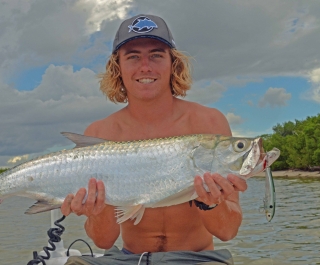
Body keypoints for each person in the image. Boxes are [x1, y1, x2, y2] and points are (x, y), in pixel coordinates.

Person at [61, 14, 247, 265]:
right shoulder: (101, 132)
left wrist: (211, 204)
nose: (145, 67)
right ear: (118, 67)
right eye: (133, 56)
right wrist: (95, 213)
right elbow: (104, 241)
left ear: (173, 63)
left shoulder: (209, 124)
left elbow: (227, 231)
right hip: (128, 259)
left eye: (157, 55)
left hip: (197, 258)